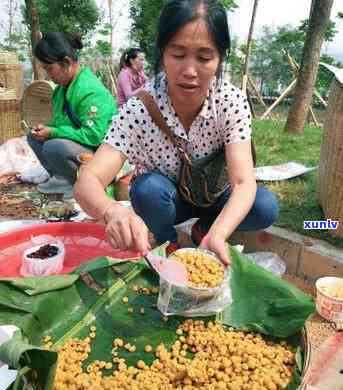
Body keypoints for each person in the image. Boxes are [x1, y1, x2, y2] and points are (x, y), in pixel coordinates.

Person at [75, 0, 278, 265]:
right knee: (147, 189)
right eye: (178, 55)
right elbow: (87, 180)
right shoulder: (139, 109)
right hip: (168, 200)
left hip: (215, 196)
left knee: (264, 207)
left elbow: (242, 182)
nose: (190, 71)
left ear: (219, 58)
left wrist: (219, 233)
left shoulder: (231, 101)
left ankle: (205, 230)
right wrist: (112, 211)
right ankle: (166, 242)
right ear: (161, 54)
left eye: (205, 57)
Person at [28, 32, 117, 199]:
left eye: (50, 69)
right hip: (82, 145)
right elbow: (60, 122)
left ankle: (81, 182)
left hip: (102, 153)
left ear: (66, 63)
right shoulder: (61, 90)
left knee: (54, 146)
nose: (49, 75)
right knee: (33, 137)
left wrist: (53, 132)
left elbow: (94, 136)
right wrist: (47, 129)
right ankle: (62, 178)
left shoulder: (91, 91)